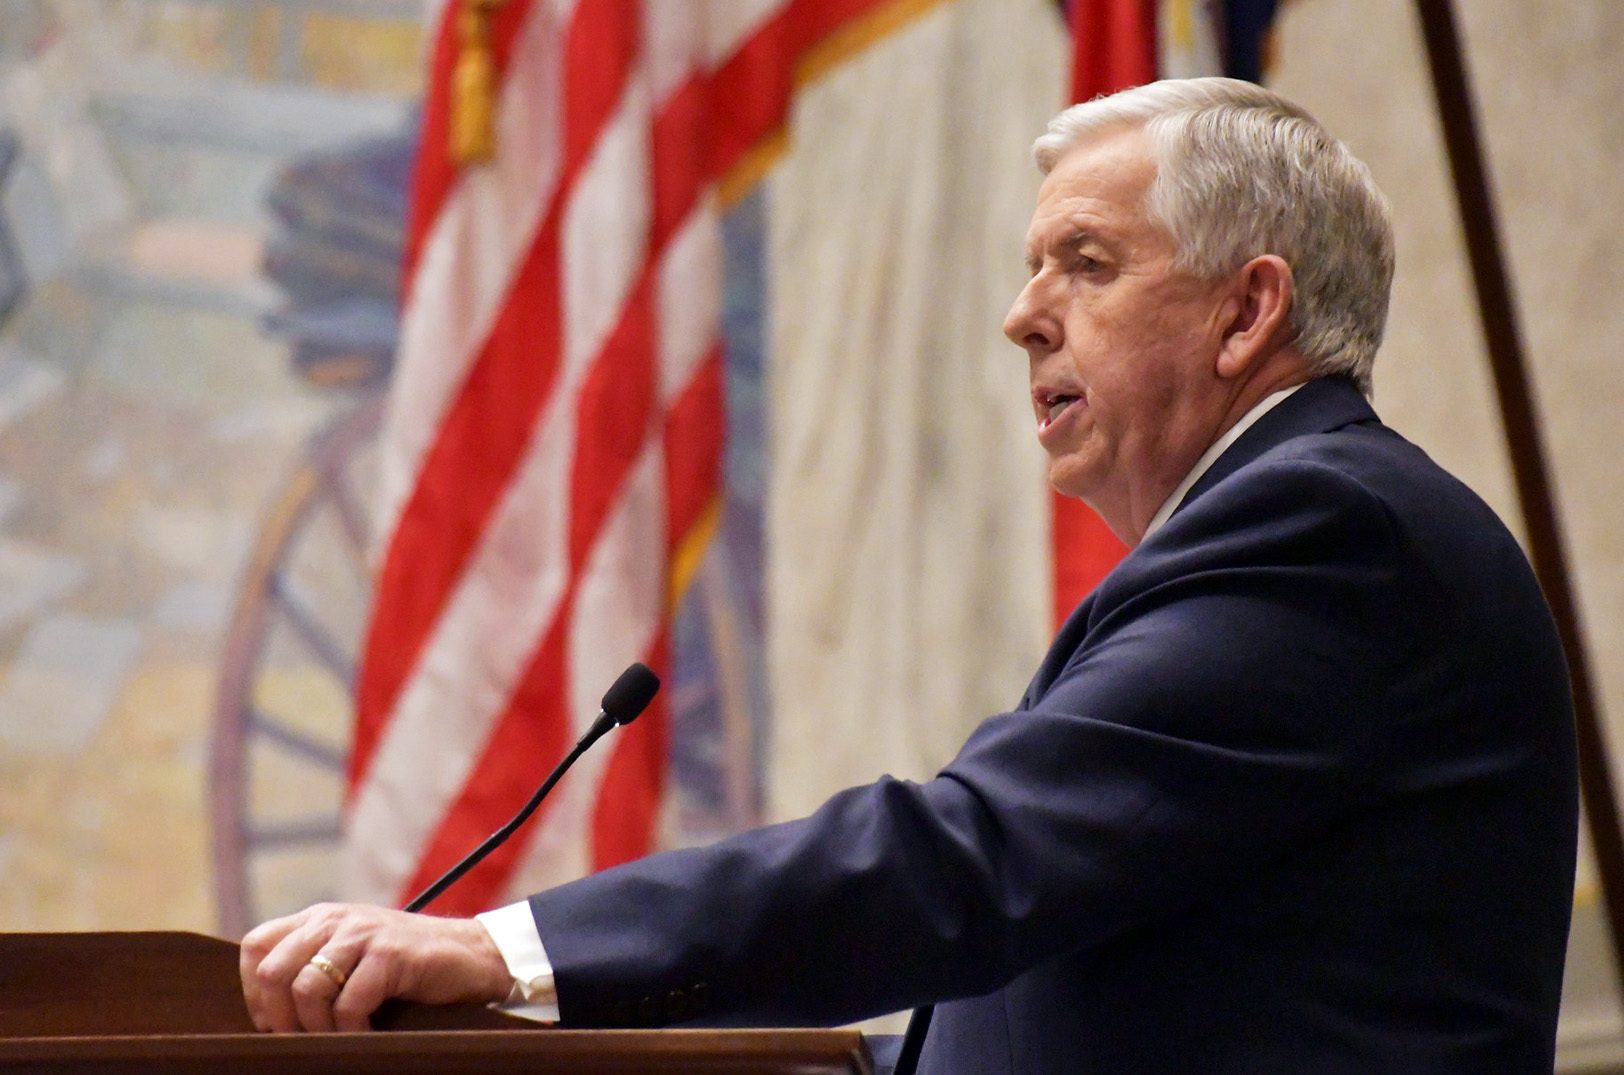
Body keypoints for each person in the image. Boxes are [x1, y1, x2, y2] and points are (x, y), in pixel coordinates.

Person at [240, 78, 1578, 1074]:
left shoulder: (1333, 534)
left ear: (1246, 311)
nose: (1022, 314)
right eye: (1034, 265)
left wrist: (508, 953)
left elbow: (965, 862)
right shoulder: (1294, 530)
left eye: (1088, 263)